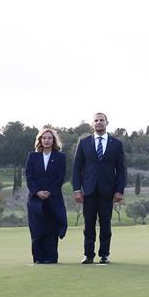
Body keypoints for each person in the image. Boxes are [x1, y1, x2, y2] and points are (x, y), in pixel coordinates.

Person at [73, 113, 126, 264]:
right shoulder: (83, 143)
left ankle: (104, 254)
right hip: (88, 190)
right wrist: (77, 189)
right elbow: (77, 168)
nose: (99, 123)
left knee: (105, 224)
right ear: (92, 124)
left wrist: (119, 190)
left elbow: (121, 169)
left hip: (107, 190)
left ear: (107, 122)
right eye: (96, 120)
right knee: (88, 224)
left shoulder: (116, 143)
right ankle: (88, 255)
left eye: (101, 120)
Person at [25, 127, 67, 264]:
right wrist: (37, 192)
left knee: (51, 229)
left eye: (49, 138)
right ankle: (38, 258)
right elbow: (29, 177)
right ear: (40, 140)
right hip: (35, 200)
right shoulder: (33, 156)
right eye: (44, 138)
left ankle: (50, 258)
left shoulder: (60, 157)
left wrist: (49, 191)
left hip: (53, 198)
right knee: (37, 229)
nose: (47, 140)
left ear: (54, 140)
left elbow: (60, 177)